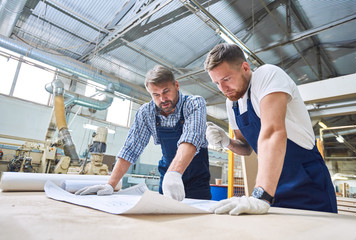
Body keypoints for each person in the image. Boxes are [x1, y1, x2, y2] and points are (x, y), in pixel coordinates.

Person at [204, 43, 337, 215]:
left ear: (245, 67)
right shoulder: (232, 104)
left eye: (227, 79)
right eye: (217, 83)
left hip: (307, 182)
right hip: (274, 188)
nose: (223, 89)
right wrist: (226, 142)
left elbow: (273, 131)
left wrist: (261, 195)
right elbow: (246, 148)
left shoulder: (266, 75)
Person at [76, 65, 211, 201]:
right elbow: (130, 149)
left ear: (176, 85)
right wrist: (111, 184)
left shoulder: (194, 104)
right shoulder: (146, 112)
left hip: (196, 180)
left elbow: (191, 138)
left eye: (166, 91)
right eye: (156, 95)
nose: (163, 99)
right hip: (167, 179)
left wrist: (174, 174)